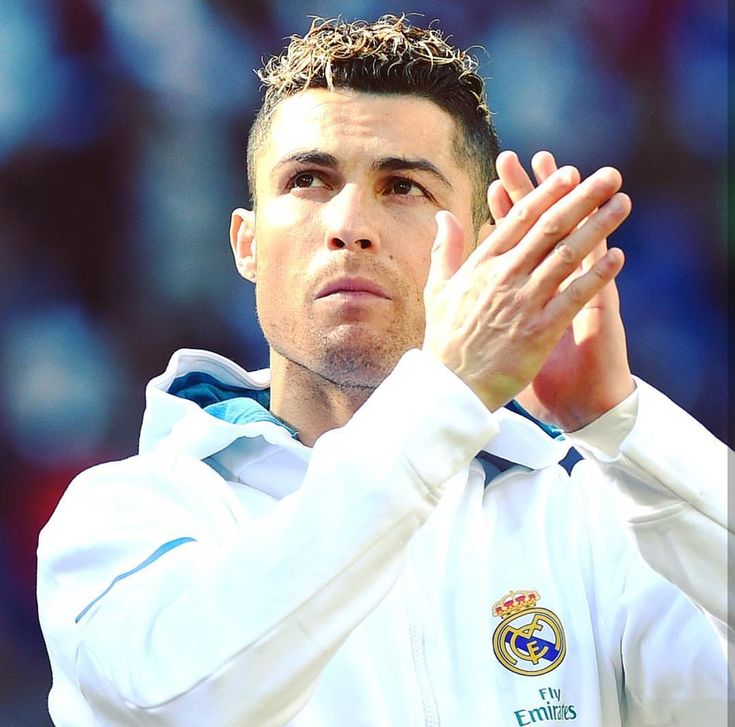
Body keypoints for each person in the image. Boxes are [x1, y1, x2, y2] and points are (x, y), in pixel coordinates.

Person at [37, 14, 729, 727]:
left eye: (402, 187)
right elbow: (189, 701)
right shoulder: (124, 514)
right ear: (247, 244)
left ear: (485, 250)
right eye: (308, 180)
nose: (349, 224)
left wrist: (620, 424)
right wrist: (446, 400)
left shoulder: (585, 520)